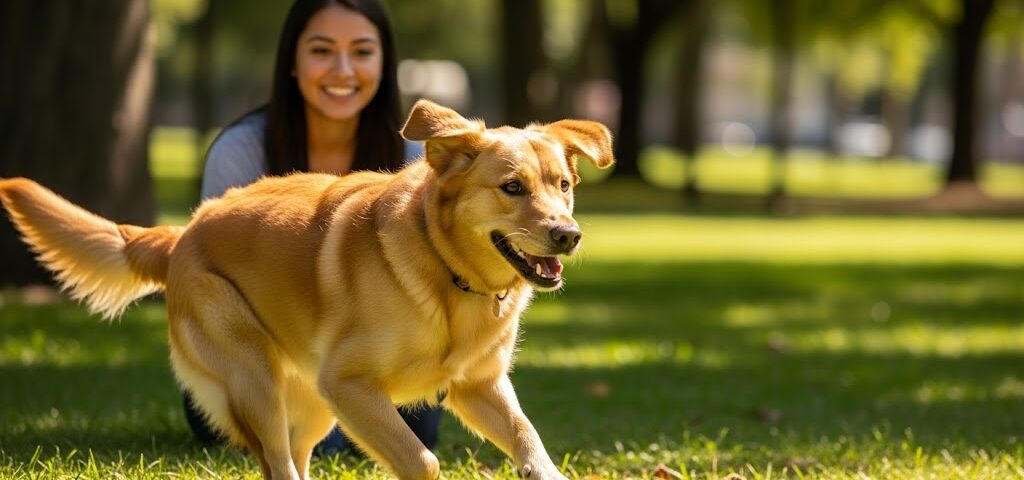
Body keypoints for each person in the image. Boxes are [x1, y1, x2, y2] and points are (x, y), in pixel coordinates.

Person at [183, 0, 441, 454]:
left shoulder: (413, 159)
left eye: (362, 52)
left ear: (384, 64)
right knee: (314, 435)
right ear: (292, 63)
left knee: (421, 429)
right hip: (267, 347)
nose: (342, 70)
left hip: (378, 352)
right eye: (322, 51)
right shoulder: (241, 152)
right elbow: (212, 275)